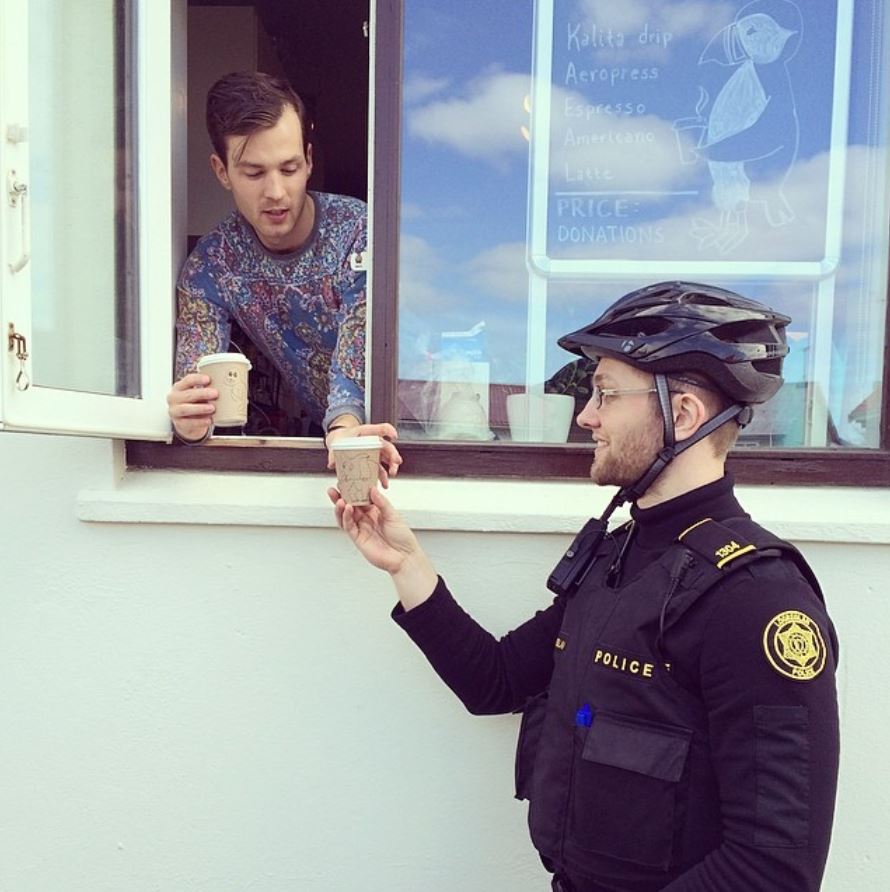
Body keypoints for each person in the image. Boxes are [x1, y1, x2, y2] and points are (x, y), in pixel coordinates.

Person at [328, 281, 839, 891]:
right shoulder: (617, 556)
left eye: (605, 394)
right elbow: (495, 682)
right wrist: (406, 564)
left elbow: (773, 870)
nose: (586, 416)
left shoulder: (756, 598)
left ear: (682, 414)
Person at [167, 71, 399, 475]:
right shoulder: (211, 266)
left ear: (309, 160)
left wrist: (344, 428)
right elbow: (196, 381)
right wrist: (189, 424)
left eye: (289, 169)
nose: (275, 191)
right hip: (333, 447)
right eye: (254, 173)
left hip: (413, 432)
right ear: (221, 171)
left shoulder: (363, 234)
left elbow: (358, 346)